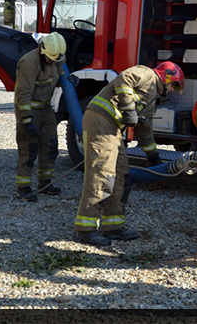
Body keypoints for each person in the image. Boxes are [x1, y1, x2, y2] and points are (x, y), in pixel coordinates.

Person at [74, 61, 184, 246]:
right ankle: (85, 228)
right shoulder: (147, 74)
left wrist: (153, 156)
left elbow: (144, 129)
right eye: (174, 85)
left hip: (113, 129)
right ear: (166, 77)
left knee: (122, 177)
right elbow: (123, 79)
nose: (172, 90)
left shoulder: (151, 98)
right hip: (100, 121)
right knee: (102, 174)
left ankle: (113, 226)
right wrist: (129, 109)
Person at [14, 32, 67, 202]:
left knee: (50, 146)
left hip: (46, 109)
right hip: (30, 110)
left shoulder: (56, 57)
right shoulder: (29, 63)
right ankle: (23, 187)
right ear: (43, 51)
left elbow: (58, 76)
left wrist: (69, 81)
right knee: (28, 149)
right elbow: (23, 94)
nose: (55, 62)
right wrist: (27, 120)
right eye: (52, 59)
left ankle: (45, 183)